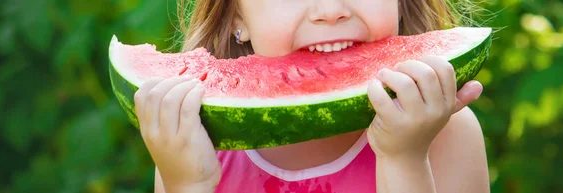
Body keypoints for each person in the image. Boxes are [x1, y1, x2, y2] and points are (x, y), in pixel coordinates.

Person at [133, 0, 490, 192]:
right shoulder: (191, 140)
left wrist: (405, 160)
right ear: (235, 17)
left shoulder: (446, 134)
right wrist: (187, 185)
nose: (330, 10)